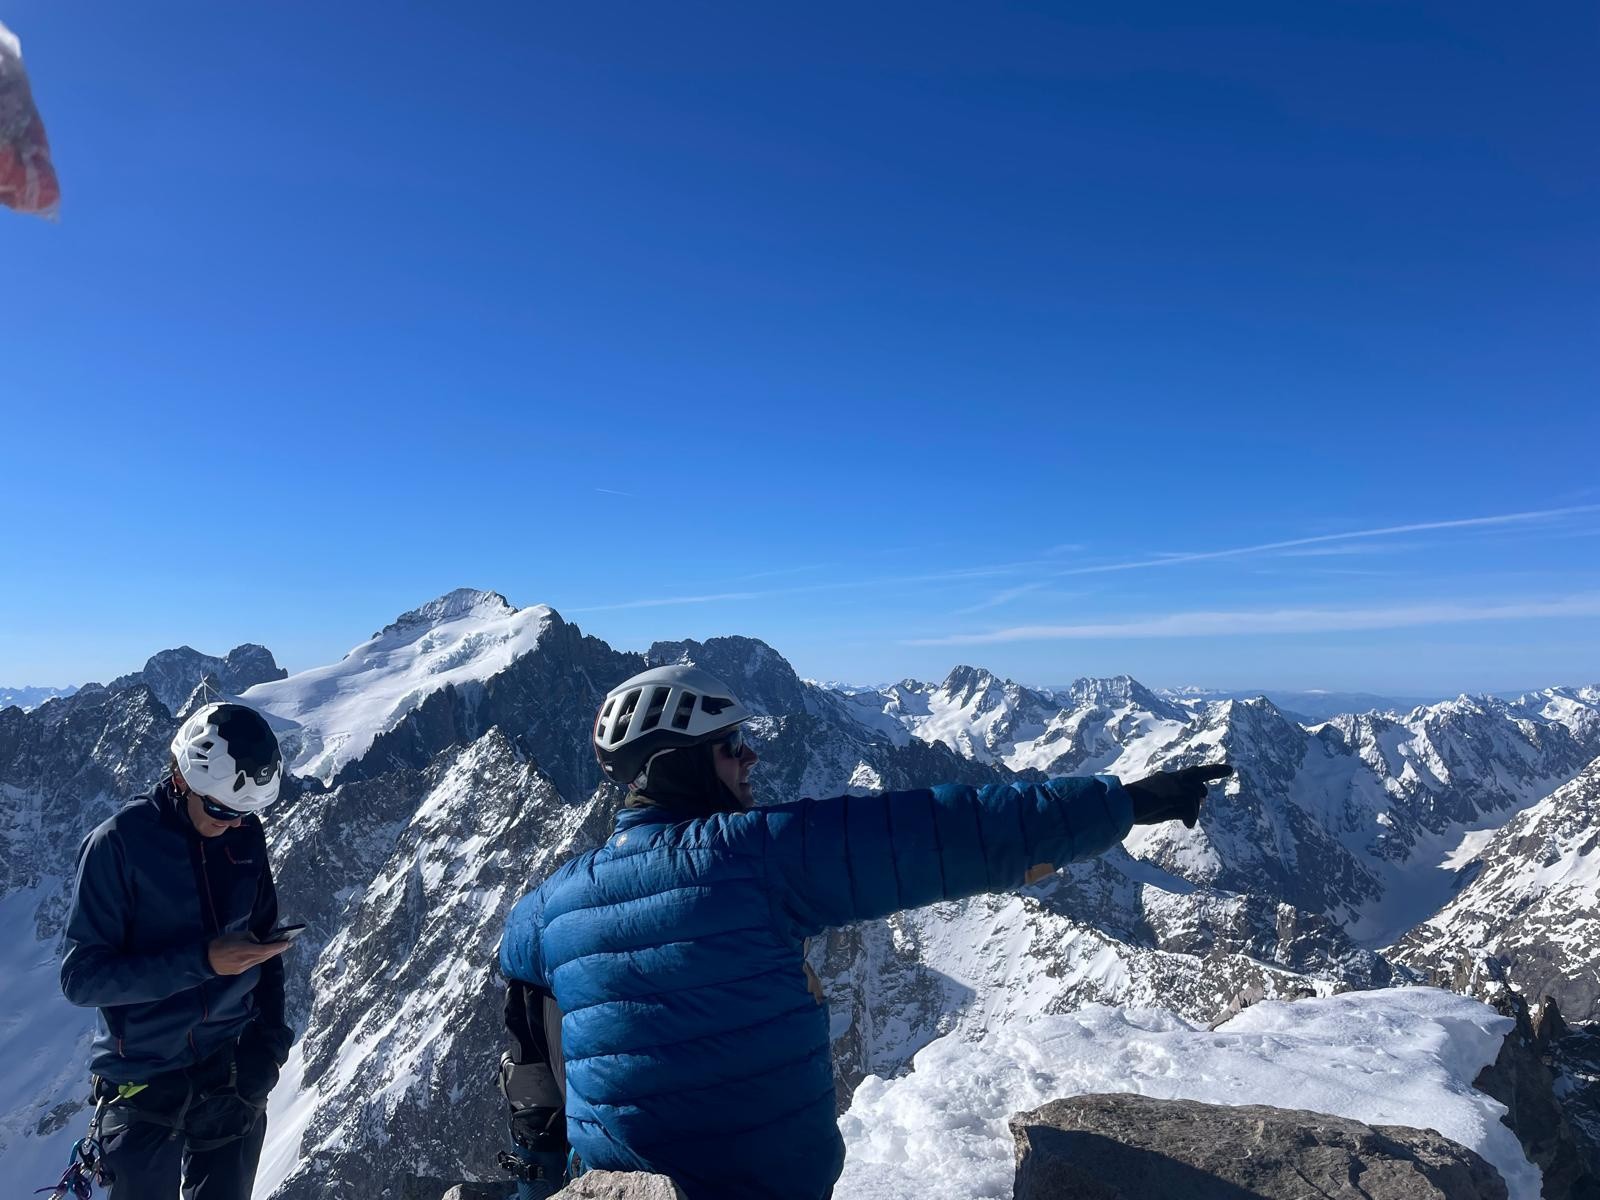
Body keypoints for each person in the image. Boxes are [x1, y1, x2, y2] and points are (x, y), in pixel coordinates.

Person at [500, 664, 1231, 1200]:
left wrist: (540, 1188)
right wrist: (1122, 803)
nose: (752, 757)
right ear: (681, 765)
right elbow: (950, 832)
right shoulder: (758, 853)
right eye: (731, 747)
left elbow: (530, 1052)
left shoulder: (542, 911)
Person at [59, 701, 296, 1200]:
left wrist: (269, 1046)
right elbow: (81, 978)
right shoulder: (119, 846)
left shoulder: (245, 837)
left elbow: (265, 945)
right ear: (183, 779)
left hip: (232, 1068)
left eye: (244, 813)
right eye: (220, 810)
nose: (233, 823)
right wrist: (204, 962)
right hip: (144, 1077)